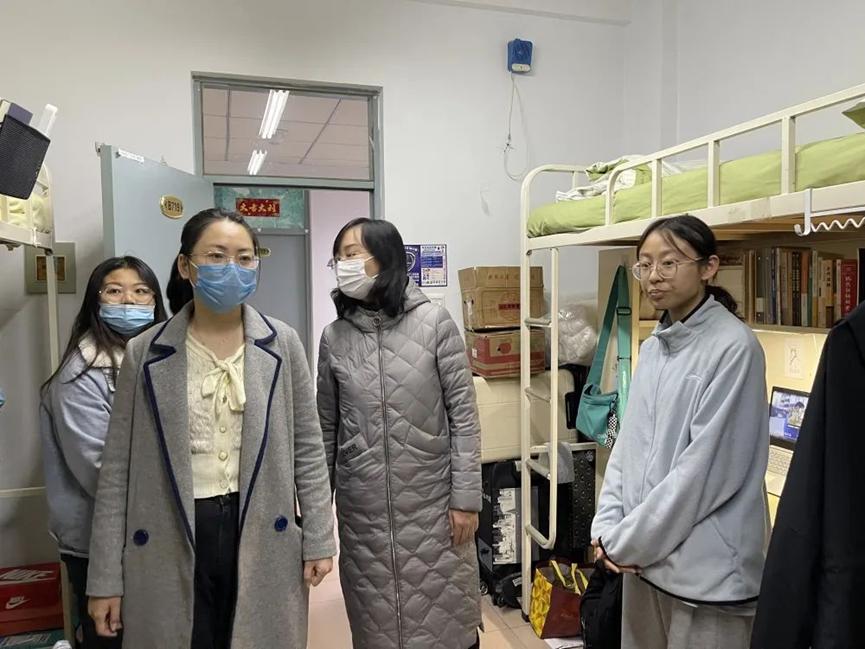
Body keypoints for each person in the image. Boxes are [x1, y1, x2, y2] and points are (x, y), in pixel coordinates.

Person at [86, 208, 336, 649]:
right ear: (186, 266)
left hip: (261, 526)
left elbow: (308, 448)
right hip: (172, 530)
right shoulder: (145, 350)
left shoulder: (282, 343)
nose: (232, 268)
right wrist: (105, 577)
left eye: (244, 258)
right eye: (216, 256)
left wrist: (318, 536)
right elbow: (117, 471)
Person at [591, 215, 769, 649]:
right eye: (645, 265)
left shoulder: (734, 348)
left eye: (669, 263)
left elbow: (701, 475)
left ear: (708, 267)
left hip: (705, 575)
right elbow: (626, 448)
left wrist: (624, 543)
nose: (654, 276)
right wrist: (606, 527)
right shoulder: (654, 346)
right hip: (644, 563)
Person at [317, 218, 482, 649]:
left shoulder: (435, 323)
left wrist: (466, 499)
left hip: (434, 507)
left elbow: (464, 417)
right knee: (377, 627)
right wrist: (316, 516)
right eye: (338, 257)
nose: (343, 264)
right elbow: (325, 429)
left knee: (447, 620)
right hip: (363, 515)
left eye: (352, 254)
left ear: (384, 257)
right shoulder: (334, 338)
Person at [40, 256, 167, 649]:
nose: (129, 301)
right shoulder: (81, 373)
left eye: (141, 291)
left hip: (153, 533)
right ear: (95, 301)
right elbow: (98, 470)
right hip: (99, 541)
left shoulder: (161, 359)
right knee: (113, 638)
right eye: (114, 291)